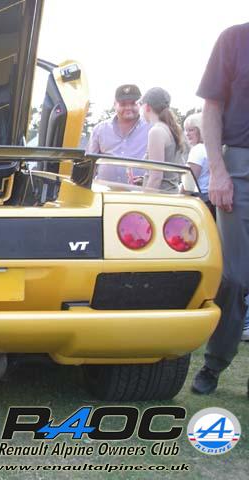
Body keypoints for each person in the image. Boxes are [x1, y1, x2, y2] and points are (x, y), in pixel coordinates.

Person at [190, 22, 249, 395]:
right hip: (239, 167)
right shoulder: (235, 39)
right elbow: (211, 107)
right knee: (235, 278)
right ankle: (214, 364)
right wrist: (218, 171)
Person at [89, 84, 150, 184]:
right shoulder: (100, 129)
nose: (128, 108)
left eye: (133, 103)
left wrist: (146, 180)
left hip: (138, 192)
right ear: (114, 105)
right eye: (123, 104)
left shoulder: (151, 130)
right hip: (103, 191)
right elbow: (89, 164)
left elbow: (160, 165)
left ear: (141, 104)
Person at [139, 87, 185, 191]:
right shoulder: (170, 129)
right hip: (171, 194)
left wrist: (143, 199)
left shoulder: (156, 131)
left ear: (147, 107)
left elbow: (156, 178)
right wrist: (144, 179)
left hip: (161, 196)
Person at [184, 112, 214, 216]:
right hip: (210, 201)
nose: (187, 134)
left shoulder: (197, 150)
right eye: (186, 130)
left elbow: (189, 183)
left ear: (201, 130)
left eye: (191, 130)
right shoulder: (211, 148)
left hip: (199, 202)